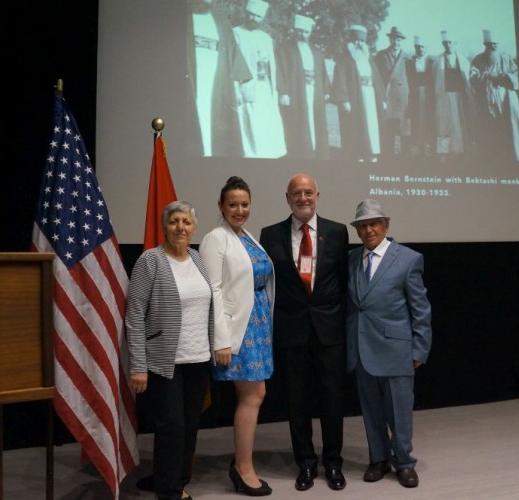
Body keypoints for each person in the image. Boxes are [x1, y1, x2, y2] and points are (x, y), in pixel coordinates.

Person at [259, 174, 349, 492]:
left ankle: (333, 464)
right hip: (291, 333)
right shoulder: (269, 235)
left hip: (329, 332)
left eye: (308, 192)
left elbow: (342, 283)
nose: (303, 198)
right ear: (287, 198)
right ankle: (307, 465)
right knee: (296, 402)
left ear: (318, 195)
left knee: (332, 401)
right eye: (296, 193)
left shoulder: (338, 233)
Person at [126, 200, 218, 500]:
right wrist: (138, 365)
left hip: (198, 357)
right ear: (164, 226)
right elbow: (135, 314)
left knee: (190, 425)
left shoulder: (197, 258)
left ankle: (178, 479)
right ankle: (168, 490)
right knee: (171, 426)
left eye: (186, 222)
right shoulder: (150, 261)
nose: (181, 227)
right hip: (165, 361)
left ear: (194, 227)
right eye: (174, 221)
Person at [346, 199, 432, 489]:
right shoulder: (352, 259)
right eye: (362, 225)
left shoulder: (408, 258)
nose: (368, 229)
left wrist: (420, 348)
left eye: (374, 223)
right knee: (371, 410)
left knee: (399, 411)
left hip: (397, 350)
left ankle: (404, 462)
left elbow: (420, 308)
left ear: (386, 225)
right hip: (362, 349)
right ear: (357, 230)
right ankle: (379, 458)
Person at [199, 177, 275, 496]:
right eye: (233, 204)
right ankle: (243, 469)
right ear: (221, 206)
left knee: (256, 394)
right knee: (253, 395)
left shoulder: (246, 236)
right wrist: (221, 340)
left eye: (244, 204)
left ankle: (241, 463)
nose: (240, 210)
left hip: (256, 325)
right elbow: (212, 290)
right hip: (235, 331)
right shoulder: (216, 238)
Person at [188, 0, 252, 157]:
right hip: (191, 76)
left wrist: (238, 84)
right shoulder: (181, 17)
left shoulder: (221, 20)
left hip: (218, 77)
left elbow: (232, 50)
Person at [233, 0, 286, 158]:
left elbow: (272, 66)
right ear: (246, 13)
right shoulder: (236, 33)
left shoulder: (266, 38)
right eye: (251, 14)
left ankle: (268, 154)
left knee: (266, 121)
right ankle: (252, 155)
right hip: (247, 85)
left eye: (257, 16)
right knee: (251, 121)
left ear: (262, 18)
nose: (253, 18)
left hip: (265, 86)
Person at [276, 14, 330, 160]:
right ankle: (300, 152)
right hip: (296, 91)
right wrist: (283, 92)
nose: (302, 34)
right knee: (298, 122)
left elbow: (322, 72)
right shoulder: (284, 48)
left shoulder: (316, 50)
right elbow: (280, 71)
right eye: (299, 31)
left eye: (305, 32)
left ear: (310, 33)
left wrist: (325, 90)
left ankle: (317, 152)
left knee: (315, 121)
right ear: (294, 30)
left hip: (314, 91)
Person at [330, 24, 386, 163]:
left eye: (361, 41)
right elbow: (340, 79)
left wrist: (383, 99)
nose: (358, 44)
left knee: (372, 125)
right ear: (350, 41)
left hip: (371, 98)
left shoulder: (369, 59)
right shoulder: (344, 59)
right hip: (355, 98)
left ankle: (372, 153)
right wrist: (344, 100)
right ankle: (358, 154)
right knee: (356, 125)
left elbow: (378, 80)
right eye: (356, 40)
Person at [470, 29, 519, 165]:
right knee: (489, 130)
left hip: (506, 101)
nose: (492, 47)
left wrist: (502, 77)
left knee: (506, 129)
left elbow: (517, 78)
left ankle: (510, 159)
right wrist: (486, 75)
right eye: (489, 45)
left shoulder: (506, 59)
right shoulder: (478, 59)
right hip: (486, 102)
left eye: (495, 44)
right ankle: (491, 160)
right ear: (485, 44)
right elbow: (473, 78)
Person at [433, 30, 473, 164]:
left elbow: (468, 78)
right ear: (443, 44)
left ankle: (459, 151)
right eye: (445, 43)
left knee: (458, 124)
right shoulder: (437, 61)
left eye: (450, 42)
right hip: (443, 97)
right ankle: (443, 152)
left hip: (458, 97)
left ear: (454, 43)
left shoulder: (463, 60)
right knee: (443, 125)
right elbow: (434, 78)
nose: (448, 45)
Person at [374, 26, 410, 157]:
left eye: (399, 40)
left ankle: (404, 157)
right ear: (390, 39)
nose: (396, 42)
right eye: (394, 39)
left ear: (402, 41)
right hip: (387, 97)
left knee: (403, 129)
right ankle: (387, 157)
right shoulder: (380, 55)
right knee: (388, 129)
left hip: (403, 98)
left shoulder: (407, 58)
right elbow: (376, 77)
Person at [405, 36, 436, 157]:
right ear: (415, 48)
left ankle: (431, 149)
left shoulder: (432, 61)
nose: (420, 49)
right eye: (418, 47)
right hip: (415, 96)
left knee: (429, 121)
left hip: (429, 96)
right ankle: (419, 149)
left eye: (422, 47)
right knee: (416, 121)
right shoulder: (409, 62)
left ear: (426, 48)